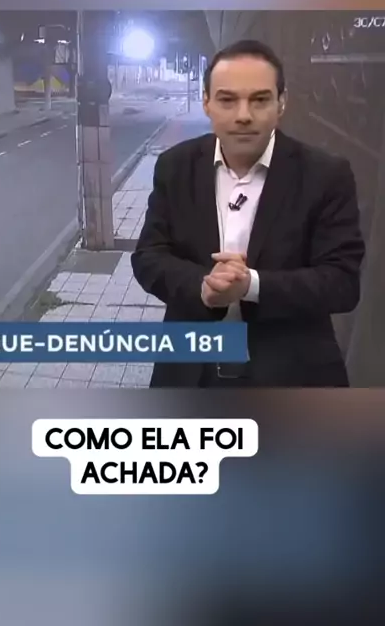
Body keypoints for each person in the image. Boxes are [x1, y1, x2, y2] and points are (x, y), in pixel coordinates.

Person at [131, 40, 366, 388]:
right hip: (190, 373)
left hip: (293, 378)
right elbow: (149, 257)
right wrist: (203, 287)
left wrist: (251, 286)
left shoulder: (326, 175)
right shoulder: (175, 166)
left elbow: (342, 283)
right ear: (206, 103)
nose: (243, 115)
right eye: (227, 100)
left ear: (281, 103)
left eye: (259, 99)